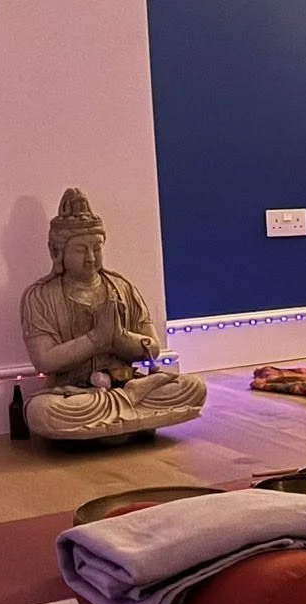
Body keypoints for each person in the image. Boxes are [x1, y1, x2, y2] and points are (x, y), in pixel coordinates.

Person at [20, 188, 207, 441]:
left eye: (97, 248)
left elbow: (153, 348)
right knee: (42, 412)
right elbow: (44, 361)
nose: (91, 258)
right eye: (80, 250)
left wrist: (120, 338)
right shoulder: (40, 296)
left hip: (127, 380)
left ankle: (125, 404)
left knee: (193, 386)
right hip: (74, 393)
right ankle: (132, 411)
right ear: (57, 252)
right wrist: (95, 339)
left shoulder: (121, 287)